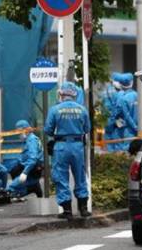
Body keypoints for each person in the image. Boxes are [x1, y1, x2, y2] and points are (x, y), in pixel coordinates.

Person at [44, 81, 91, 219]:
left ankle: (67, 210)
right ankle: (83, 208)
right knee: (80, 176)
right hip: (78, 146)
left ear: (61, 93)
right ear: (74, 94)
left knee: (61, 177)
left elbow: (48, 130)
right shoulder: (82, 109)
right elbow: (87, 129)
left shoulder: (55, 109)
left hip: (61, 146)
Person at [6, 120, 44, 199]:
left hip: (30, 169)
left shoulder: (32, 140)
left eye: (19, 132)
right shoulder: (29, 139)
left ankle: (32, 188)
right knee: (13, 172)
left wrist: (25, 172)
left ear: (25, 130)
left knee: (11, 188)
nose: (19, 134)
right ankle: (33, 187)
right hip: (27, 167)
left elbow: (33, 159)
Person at [112, 73, 138, 151]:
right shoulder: (137, 95)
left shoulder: (123, 98)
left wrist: (134, 127)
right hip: (140, 128)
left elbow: (126, 116)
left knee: (127, 150)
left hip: (128, 129)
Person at [103, 73, 123, 151]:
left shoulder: (105, 91)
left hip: (107, 123)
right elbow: (118, 108)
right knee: (118, 148)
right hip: (115, 123)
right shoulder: (117, 93)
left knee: (109, 147)